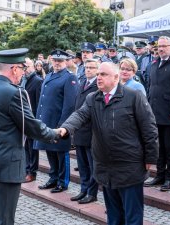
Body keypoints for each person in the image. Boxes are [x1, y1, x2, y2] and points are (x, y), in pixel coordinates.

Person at [59, 62, 158, 225]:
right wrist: (64, 129)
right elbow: (80, 115)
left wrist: (150, 158)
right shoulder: (93, 98)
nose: (99, 77)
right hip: (106, 166)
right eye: (98, 74)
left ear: (116, 77)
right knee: (113, 215)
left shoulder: (133, 96)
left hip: (129, 166)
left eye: (103, 74)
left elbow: (149, 129)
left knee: (132, 216)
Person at [0, 48, 60, 225]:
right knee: (4, 219)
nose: (24, 73)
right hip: (7, 165)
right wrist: (55, 133)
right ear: (14, 69)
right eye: (22, 68)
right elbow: (31, 126)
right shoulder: (15, 92)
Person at [144, 36, 170, 191]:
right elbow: (150, 88)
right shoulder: (153, 64)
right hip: (154, 113)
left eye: (164, 46)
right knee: (158, 148)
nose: (161, 49)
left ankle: (169, 178)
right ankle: (159, 175)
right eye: (159, 46)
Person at [34, 49, 78, 193]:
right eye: (55, 60)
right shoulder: (49, 75)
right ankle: (53, 178)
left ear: (65, 61)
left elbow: (70, 104)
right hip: (47, 120)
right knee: (49, 151)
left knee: (61, 152)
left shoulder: (69, 77)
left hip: (59, 123)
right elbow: (42, 100)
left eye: (60, 61)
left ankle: (62, 181)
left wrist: (63, 125)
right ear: (51, 60)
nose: (57, 63)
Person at [70, 59, 99, 204]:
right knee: (82, 164)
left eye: (92, 68)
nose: (88, 70)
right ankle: (83, 189)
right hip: (80, 130)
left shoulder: (98, 85)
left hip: (91, 132)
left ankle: (92, 193)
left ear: (97, 70)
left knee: (92, 164)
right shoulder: (82, 83)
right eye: (87, 67)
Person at [20, 59, 44, 183]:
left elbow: (40, 102)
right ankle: (25, 169)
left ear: (33, 67)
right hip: (22, 118)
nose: (25, 69)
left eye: (27, 67)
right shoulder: (23, 80)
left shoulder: (38, 81)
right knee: (25, 146)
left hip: (32, 118)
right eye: (23, 67)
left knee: (32, 147)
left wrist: (36, 120)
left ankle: (32, 172)